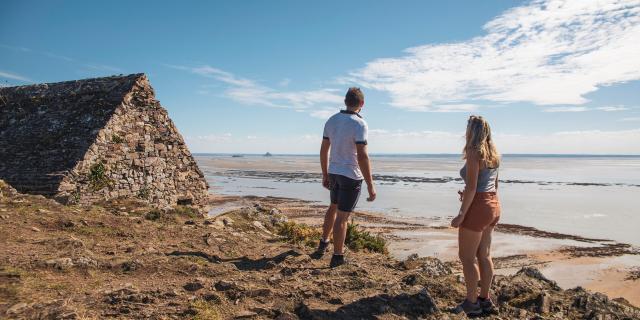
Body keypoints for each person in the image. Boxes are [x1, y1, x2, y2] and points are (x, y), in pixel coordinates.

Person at [311, 87, 376, 268]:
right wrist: (371, 184)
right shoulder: (360, 124)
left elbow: (324, 150)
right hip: (350, 175)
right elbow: (362, 156)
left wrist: (325, 173)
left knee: (333, 207)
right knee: (342, 217)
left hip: (334, 172)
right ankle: (338, 256)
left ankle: (323, 243)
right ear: (361, 104)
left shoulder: (332, 120)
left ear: (345, 101)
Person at [451, 115, 501, 316]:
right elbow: (493, 185)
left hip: (479, 206)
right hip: (493, 205)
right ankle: (485, 299)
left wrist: (461, 214)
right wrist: (473, 197)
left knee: (467, 257)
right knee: (484, 255)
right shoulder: (494, 154)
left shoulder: (474, 152)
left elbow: (472, 187)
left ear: (472, 132)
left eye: (468, 128)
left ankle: (471, 304)